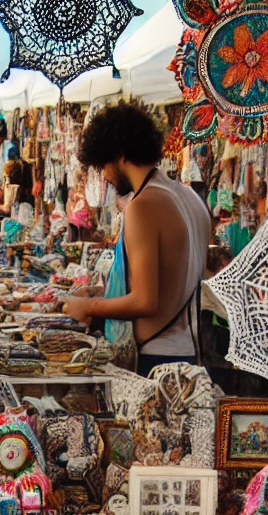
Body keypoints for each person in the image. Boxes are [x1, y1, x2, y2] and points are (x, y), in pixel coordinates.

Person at [60, 103, 209, 373]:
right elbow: (169, 282)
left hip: (154, 358)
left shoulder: (143, 205)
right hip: (188, 353)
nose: (105, 176)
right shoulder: (189, 198)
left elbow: (145, 301)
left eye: (103, 165)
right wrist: (101, 293)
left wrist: (89, 306)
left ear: (117, 154)